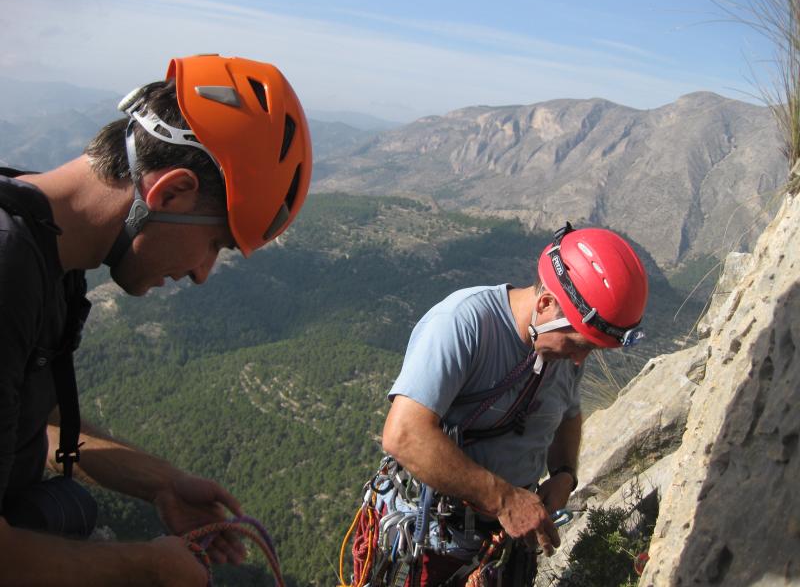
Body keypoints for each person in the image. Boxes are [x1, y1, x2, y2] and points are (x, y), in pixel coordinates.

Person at [0, 54, 312, 586]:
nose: (202, 273)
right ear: (169, 191)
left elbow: (35, 420)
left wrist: (163, 484)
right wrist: (144, 566)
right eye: (216, 243)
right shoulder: (7, 267)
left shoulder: (48, 255)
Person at [375, 223, 648, 586]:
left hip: (508, 541)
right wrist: (504, 500)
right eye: (580, 344)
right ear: (546, 303)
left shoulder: (563, 353)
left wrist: (564, 473)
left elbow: (568, 413)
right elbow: (403, 435)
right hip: (439, 538)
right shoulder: (462, 324)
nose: (581, 360)